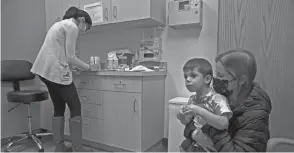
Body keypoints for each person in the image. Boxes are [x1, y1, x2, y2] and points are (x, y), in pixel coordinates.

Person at [31, 6, 94, 152]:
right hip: (54, 72)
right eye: (87, 28)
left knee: (59, 107)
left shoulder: (59, 24)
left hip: (45, 71)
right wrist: (88, 67)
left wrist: (73, 66)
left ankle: (59, 148)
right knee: (75, 107)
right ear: (82, 20)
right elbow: (70, 57)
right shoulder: (72, 26)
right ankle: (78, 149)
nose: (84, 31)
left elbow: (60, 54)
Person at [195, 49, 272, 152]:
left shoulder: (256, 114)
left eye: (221, 76)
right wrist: (194, 134)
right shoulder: (224, 94)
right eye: (216, 75)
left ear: (241, 80)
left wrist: (217, 123)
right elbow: (193, 120)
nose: (216, 80)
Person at [177, 58, 233, 152]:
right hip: (194, 144)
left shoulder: (217, 99)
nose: (187, 80)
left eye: (193, 76)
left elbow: (223, 123)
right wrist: (182, 115)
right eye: (185, 77)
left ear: (207, 79)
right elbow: (186, 122)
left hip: (213, 146)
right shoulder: (192, 99)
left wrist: (198, 111)